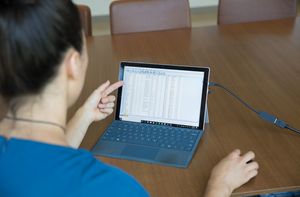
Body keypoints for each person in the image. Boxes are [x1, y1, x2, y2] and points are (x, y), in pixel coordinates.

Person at [0, 0, 259, 196]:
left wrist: (83, 117)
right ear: (73, 64)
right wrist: (219, 186)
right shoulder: (112, 187)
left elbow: (41, 164)